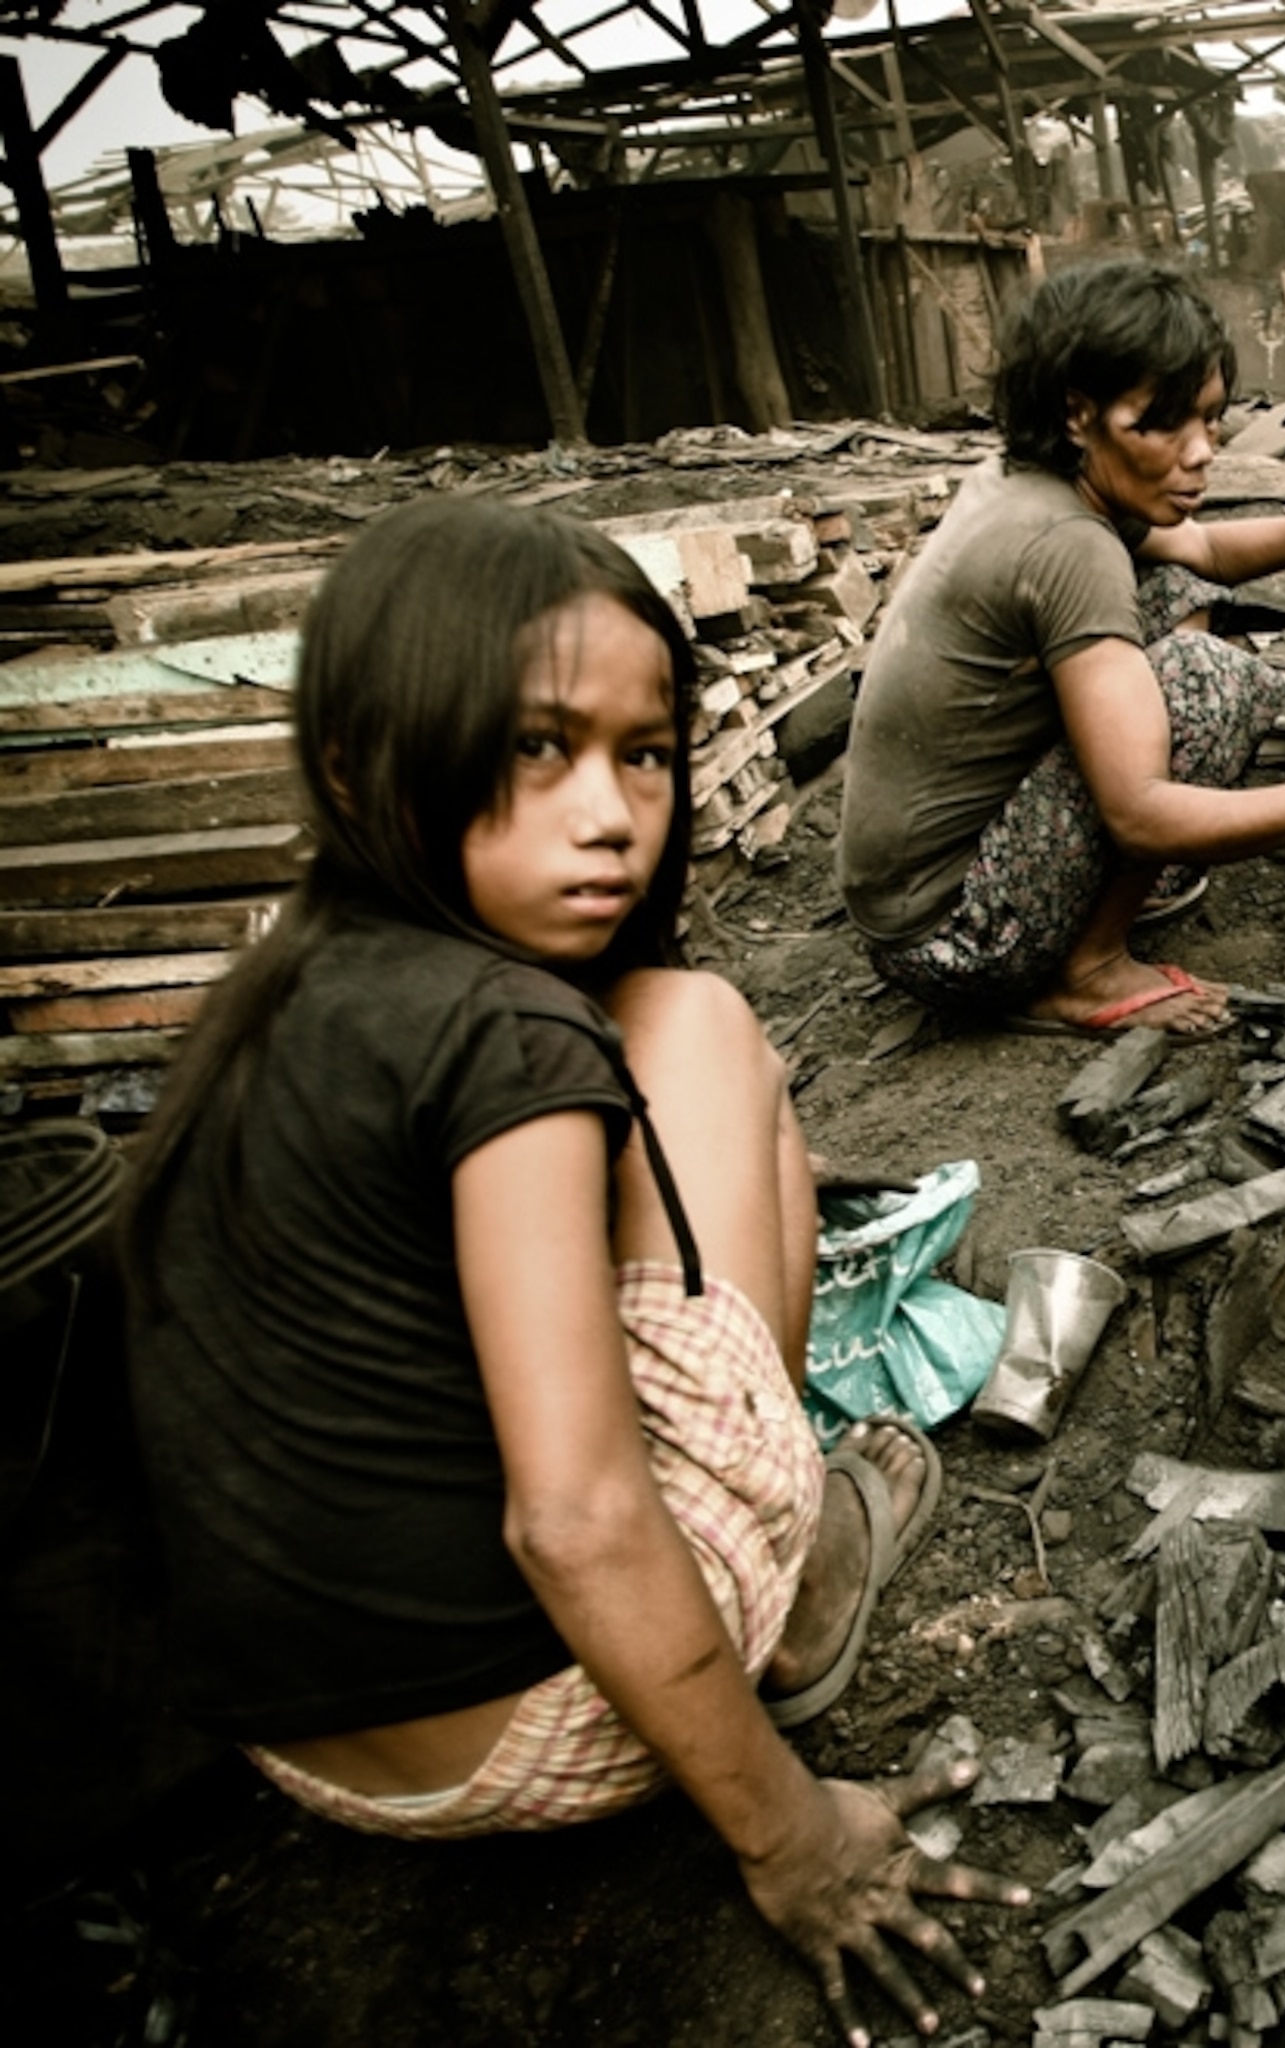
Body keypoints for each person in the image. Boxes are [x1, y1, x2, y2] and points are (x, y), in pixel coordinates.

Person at [120, 497, 1031, 2043]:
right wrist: (794, 1840)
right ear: (357, 761)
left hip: (300, 1742)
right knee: (701, 1031)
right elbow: (571, 1516)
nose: (611, 813)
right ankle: (795, 1593)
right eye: (537, 747)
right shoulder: (507, 1029)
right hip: (539, 1734)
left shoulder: (280, 992)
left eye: (646, 751)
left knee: (650, 1060)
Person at [836, 261, 1285, 1036]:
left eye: (1209, 418)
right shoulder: (1068, 545)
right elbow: (1140, 816)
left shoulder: (1033, 476)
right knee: (1207, 683)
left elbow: (1205, 551)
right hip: (956, 940)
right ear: (1079, 414)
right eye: (1163, 423)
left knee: (1181, 591)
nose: (1202, 450)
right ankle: (1088, 969)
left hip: (907, 899)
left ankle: (1092, 902)